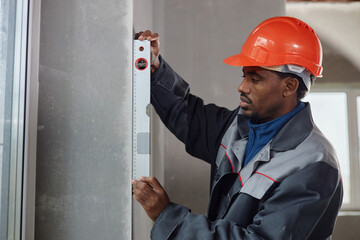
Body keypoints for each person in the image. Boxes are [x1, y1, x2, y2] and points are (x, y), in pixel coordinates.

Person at [131, 16, 343, 240]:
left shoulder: (314, 165)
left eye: (255, 78)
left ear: (289, 86)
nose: (241, 87)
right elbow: (189, 116)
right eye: (244, 76)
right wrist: (154, 68)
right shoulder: (238, 126)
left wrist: (168, 216)